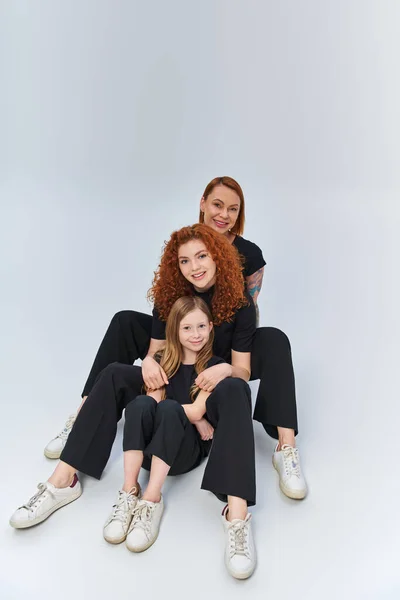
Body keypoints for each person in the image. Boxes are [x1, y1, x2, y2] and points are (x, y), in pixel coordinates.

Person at [46, 181, 307, 499]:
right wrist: (159, 371)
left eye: (232, 209)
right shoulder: (183, 252)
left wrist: (223, 363)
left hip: (225, 338)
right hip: (181, 338)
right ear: (203, 204)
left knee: (276, 340)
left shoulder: (249, 255)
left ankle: (285, 446)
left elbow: (249, 306)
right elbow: (160, 335)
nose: (223, 214)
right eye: (217, 205)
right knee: (125, 321)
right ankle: (83, 416)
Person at [10, 288, 257, 580]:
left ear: (211, 328)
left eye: (201, 326)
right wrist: (192, 414)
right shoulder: (165, 360)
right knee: (140, 403)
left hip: (185, 452)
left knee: (167, 410)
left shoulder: (213, 366)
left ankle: (152, 500)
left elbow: (190, 410)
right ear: (174, 331)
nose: (195, 334)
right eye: (187, 328)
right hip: (152, 453)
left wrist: (190, 413)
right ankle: (128, 493)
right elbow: (156, 403)